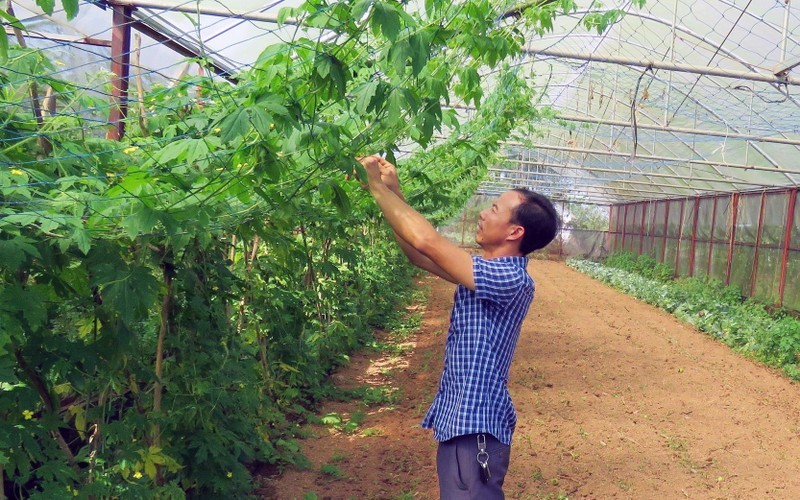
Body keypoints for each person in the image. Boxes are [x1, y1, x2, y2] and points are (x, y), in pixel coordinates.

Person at [358, 155, 560, 499]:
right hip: (462, 422)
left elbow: (429, 243)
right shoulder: (483, 273)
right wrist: (394, 191)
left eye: (495, 209)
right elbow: (419, 255)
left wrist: (376, 187)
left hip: (476, 428)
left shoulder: (509, 278)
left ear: (515, 231)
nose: (483, 212)